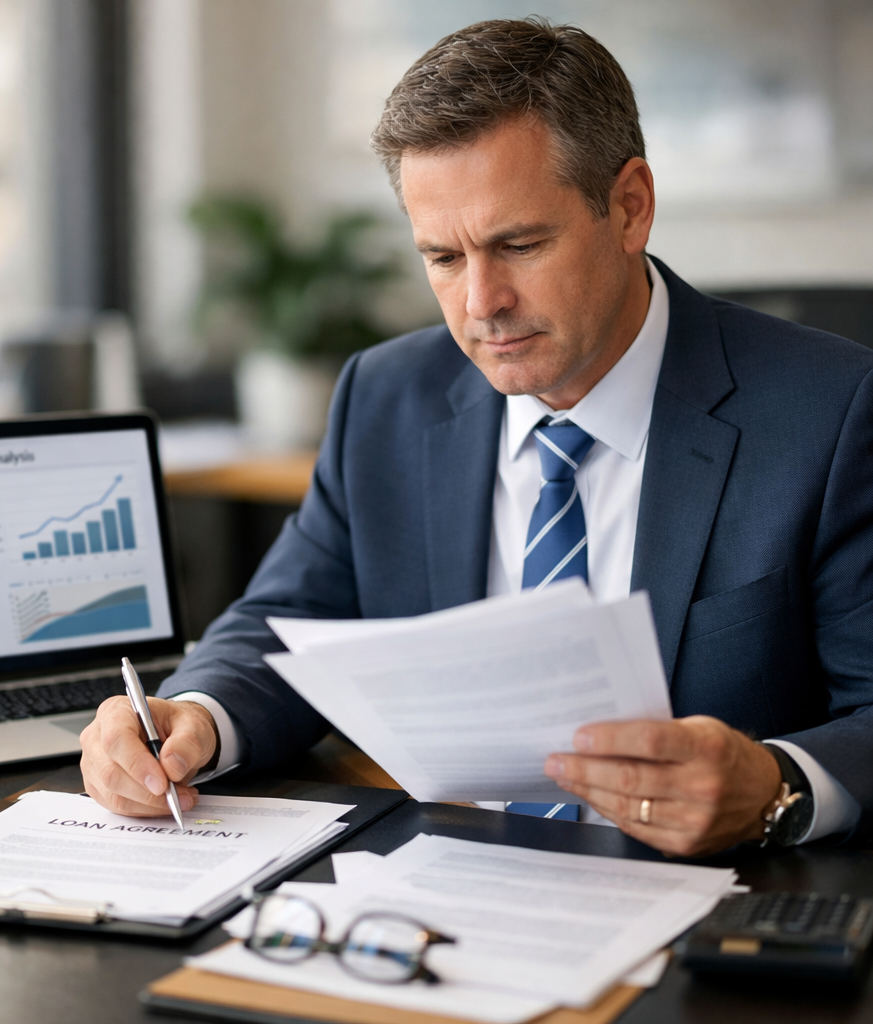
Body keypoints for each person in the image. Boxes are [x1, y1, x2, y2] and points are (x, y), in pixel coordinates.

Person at [81, 18, 873, 856]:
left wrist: (777, 787)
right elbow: (287, 616)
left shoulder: (830, 412)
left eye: (519, 245)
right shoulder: (386, 397)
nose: (480, 303)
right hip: (437, 892)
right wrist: (193, 716)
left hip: (710, 910)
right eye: (443, 259)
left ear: (630, 207)